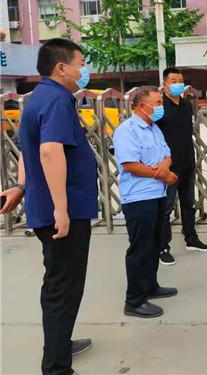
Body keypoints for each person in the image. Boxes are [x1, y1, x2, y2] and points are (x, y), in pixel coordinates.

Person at [0, 38, 96, 374]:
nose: (84, 70)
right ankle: (56, 366)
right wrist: (61, 209)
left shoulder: (40, 97)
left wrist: (21, 187)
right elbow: (49, 151)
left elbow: (30, 149)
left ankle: (59, 343)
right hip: (63, 213)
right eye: (81, 64)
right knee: (64, 288)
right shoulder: (55, 99)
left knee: (57, 284)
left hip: (52, 207)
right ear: (61, 68)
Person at [113, 86, 179, 318]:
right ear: (143, 106)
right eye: (158, 103)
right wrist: (163, 175)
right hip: (139, 197)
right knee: (140, 248)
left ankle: (150, 285)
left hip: (158, 194)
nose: (161, 107)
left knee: (155, 244)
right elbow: (130, 164)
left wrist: (166, 167)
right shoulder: (127, 131)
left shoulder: (154, 128)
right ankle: (134, 300)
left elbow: (167, 154)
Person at [156, 67, 207, 266]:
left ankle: (191, 238)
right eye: (173, 81)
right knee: (166, 208)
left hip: (187, 162)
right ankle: (163, 247)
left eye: (180, 80)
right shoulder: (159, 107)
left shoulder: (186, 104)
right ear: (164, 84)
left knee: (188, 203)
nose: (178, 84)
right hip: (168, 165)